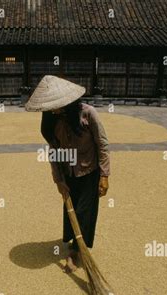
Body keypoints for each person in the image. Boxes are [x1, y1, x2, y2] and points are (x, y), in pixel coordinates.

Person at [26, 75, 110, 273]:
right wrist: (58, 180)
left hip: (90, 172)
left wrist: (105, 176)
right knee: (70, 212)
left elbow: (103, 145)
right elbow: (54, 152)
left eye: (55, 106)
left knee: (84, 213)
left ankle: (77, 251)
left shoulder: (88, 114)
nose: (52, 110)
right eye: (49, 107)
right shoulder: (51, 121)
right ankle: (75, 245)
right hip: (68, 174)